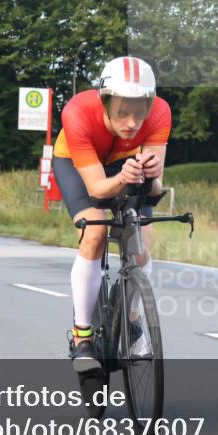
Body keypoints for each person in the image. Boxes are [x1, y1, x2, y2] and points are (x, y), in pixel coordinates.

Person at [52, 56, 171, 372]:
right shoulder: (77, 112)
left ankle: (132, 324)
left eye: (139, 113)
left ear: (150, 105)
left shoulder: (160, 113)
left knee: (142, 238)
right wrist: (122, 179)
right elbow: (96, 190)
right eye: (122, 112)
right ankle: (82, 338)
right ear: (104, 103)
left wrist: (154, 176)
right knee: (95, 232)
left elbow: (156, 190)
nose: (132, 122)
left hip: (124, 165)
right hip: (78, 166)